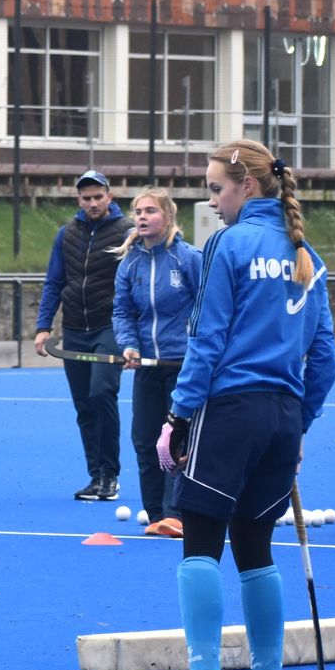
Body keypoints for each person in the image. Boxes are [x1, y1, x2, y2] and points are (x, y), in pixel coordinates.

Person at [156, 140, 335, 670]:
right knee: (256, 548)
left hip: (229, 411)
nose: (210, 201)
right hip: (282, 418)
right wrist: (298, 423)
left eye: (216, 188)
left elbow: (207, 340)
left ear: (248, 187)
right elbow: (326, 359)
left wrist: (177, 416)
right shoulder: (307, 254)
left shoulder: (227, 245)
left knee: (201, 542)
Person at [111, 188, 201, 538]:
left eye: (150, 210)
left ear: (167, 216)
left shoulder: (188, 258)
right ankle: (154, 514)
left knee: (175, 441)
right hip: (147, 366)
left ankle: (175, 513)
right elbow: (122, 310)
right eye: (137, 211)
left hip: (183, 367)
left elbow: (208, 305)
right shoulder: (130, 262)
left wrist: (196, 346)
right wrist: (129, 346)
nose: (142, 217)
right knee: (145, 440)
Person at [35, 170, 129, 501]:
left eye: (97, 197)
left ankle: (111, 475)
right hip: (74, 329)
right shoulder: (67, 234)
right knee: (84, 404)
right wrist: (43, 326)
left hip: (110, 328)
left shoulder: (127, 232)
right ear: (79, 200)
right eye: (86, 198)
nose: (92, 203)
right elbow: (54, 282)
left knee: (102, 393)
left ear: (109, 196)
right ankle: (96, 476)